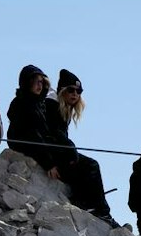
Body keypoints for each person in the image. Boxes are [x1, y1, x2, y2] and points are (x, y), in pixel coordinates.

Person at [39, 68, 112, 220]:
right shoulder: (51, 105)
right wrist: (51, 161)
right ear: (62, 90)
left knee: (84, 168)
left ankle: (92, 206)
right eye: (71, 90)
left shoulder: (62, 107)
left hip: (58, 154)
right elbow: (51, 135)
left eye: (79, 92)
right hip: (52, 156)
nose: (75, 94)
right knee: (91, 166)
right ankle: (102, 211)